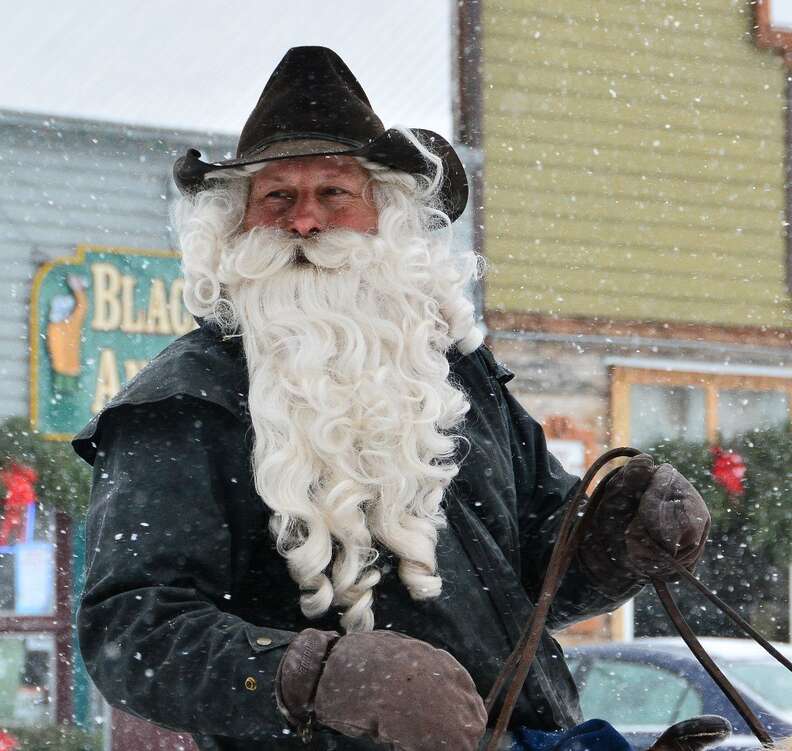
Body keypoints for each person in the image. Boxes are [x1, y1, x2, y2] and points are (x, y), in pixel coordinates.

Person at [73, 47, 715, 751]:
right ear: (237, 226)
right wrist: (318, 677)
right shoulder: (185, 404)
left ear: (387, 214)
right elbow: (132, 628)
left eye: (333, 193)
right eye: (278, 197)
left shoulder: (455, 374)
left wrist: (612, 536)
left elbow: (534, 580)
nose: (306, 221)